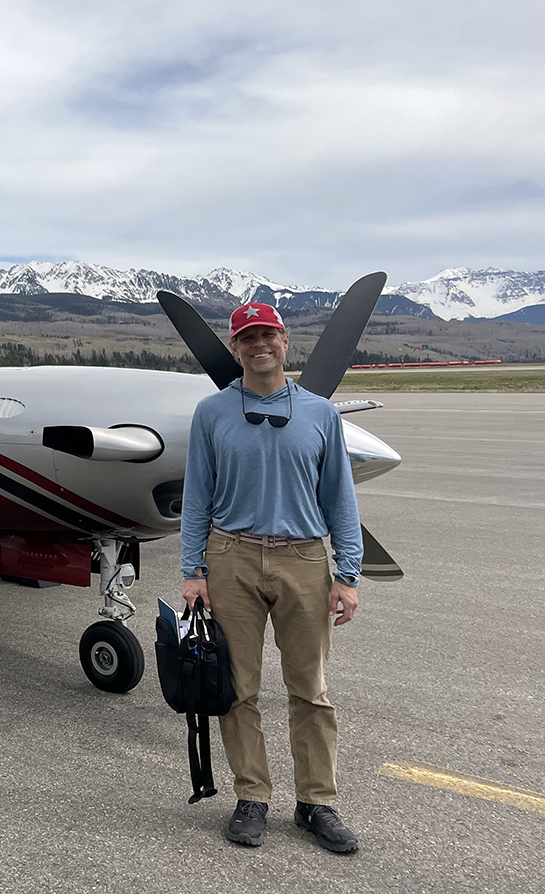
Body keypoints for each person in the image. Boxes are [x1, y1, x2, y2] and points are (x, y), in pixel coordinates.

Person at [180, 301, 363, 853]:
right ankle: (251, 795)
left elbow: (340, 498)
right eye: (247, 337)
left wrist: (347, 573)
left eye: (269, 335)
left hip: (304, 559)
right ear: (236, 348)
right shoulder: (212, 413)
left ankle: (316, 802)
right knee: (238, 689)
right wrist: (193, 569)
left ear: (286, 342)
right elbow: (197, 497)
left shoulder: (320, 414)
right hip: (231, 556)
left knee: (311, 690)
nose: (259, 344)